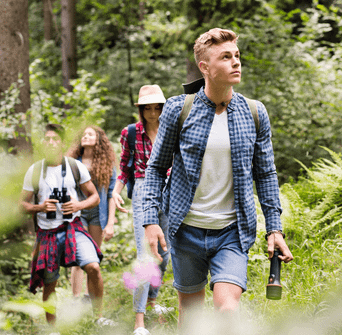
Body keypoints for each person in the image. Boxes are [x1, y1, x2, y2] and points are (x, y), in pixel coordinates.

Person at [142, 28, 293, 329]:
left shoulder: (254, 113)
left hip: (232, 232)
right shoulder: (178, 109)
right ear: (205, 68)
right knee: (192, 316)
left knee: (227, 311)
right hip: (186, 230)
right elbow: (156, 168)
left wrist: (274, 228)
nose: (236, 62)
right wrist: (150, 220)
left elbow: (265, 174)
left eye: (237, 55)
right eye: (226, 57)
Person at [20, 124, 104, 325]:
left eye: (55, 139)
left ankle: (99, 318)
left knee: (93, 267)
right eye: (47, 139)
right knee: (50, 283)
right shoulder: (34, 171)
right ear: (42, 143)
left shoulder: (75, 167)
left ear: (62, 143)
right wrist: (40, 207)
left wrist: (78, 205)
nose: (51, 143)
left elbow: (95, 197)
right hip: (47, 233)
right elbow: (21, 204)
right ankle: (53, 328)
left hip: (72, 228)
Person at [112, 85, 171, 335]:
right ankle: (139, 321)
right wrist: (116, 190)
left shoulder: (170, 129)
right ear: (141, 109)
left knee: (165, 253)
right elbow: (125, 166)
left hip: (169, 189)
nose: (153, 113)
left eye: (157, 107)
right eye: (148, 108)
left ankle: (152, 300)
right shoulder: (131, 133)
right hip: (143, 190)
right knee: (145, 255)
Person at [67, 125, 117, 304]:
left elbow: (112, 194)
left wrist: (110, 223)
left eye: (90, 134)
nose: (85, 136)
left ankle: (88, 298)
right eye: (83, 133)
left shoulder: (106, 164)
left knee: (92, 256)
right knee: (76, 256)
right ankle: (75, 299)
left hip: (98, 214)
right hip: (77, 214)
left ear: (98, 139)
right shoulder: (72, 161)